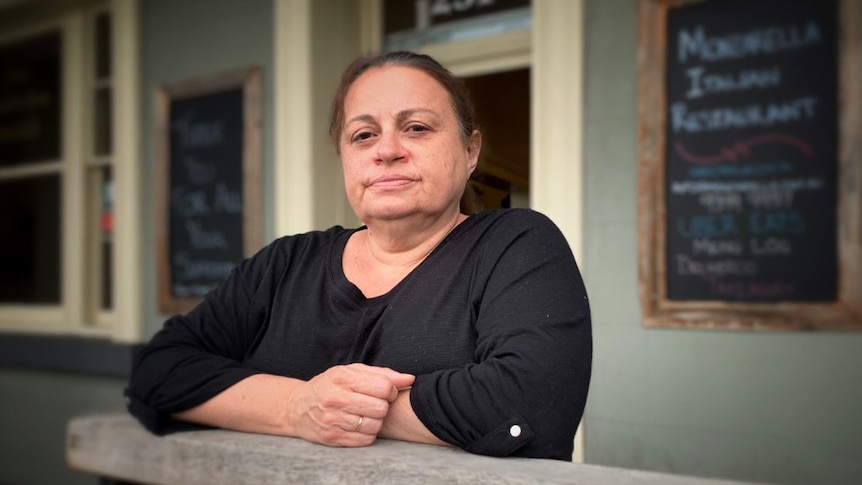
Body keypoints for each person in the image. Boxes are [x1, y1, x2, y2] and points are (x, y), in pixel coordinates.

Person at [125, 51, 592, 461]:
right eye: (363, 135)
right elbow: (158, 370)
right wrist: (297, 407)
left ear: (470, 151)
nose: (387, 150)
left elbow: (531, 404)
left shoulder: (514, 245)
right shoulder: (287, 263)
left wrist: (347, 410)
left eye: (416, 127)